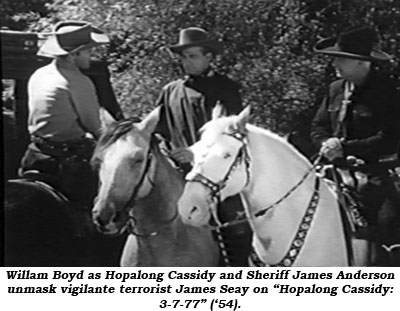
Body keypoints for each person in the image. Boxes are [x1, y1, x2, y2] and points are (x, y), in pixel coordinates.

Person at [154, 27, 251, 266]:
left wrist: (193, 153)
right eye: (184, 57)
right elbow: (159, 131)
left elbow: (230, 136)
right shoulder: (171, 91)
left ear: (209, 57)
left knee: (232, 229)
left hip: (214, 175)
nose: (187, 62)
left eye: (193, 56)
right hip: (177, 173)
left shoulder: (226, 89)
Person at [310, 26, 400, 230]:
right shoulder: (335, 89)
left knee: (389, 227)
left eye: (342, 58)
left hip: (377, 174)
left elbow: (389, 139)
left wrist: (345, 148)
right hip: (333, 171)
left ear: (362, 61)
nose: (335, 63)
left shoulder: (388, 93)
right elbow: (318, 126)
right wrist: (326, 144)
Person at [19, 21, 110, 207]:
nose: (91, 57)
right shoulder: (78, 81)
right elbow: (95, 126)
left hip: (35, 153)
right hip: (69, 158)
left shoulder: (39, 74)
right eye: (88, 52)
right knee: (110, 198)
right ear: (73, 54)